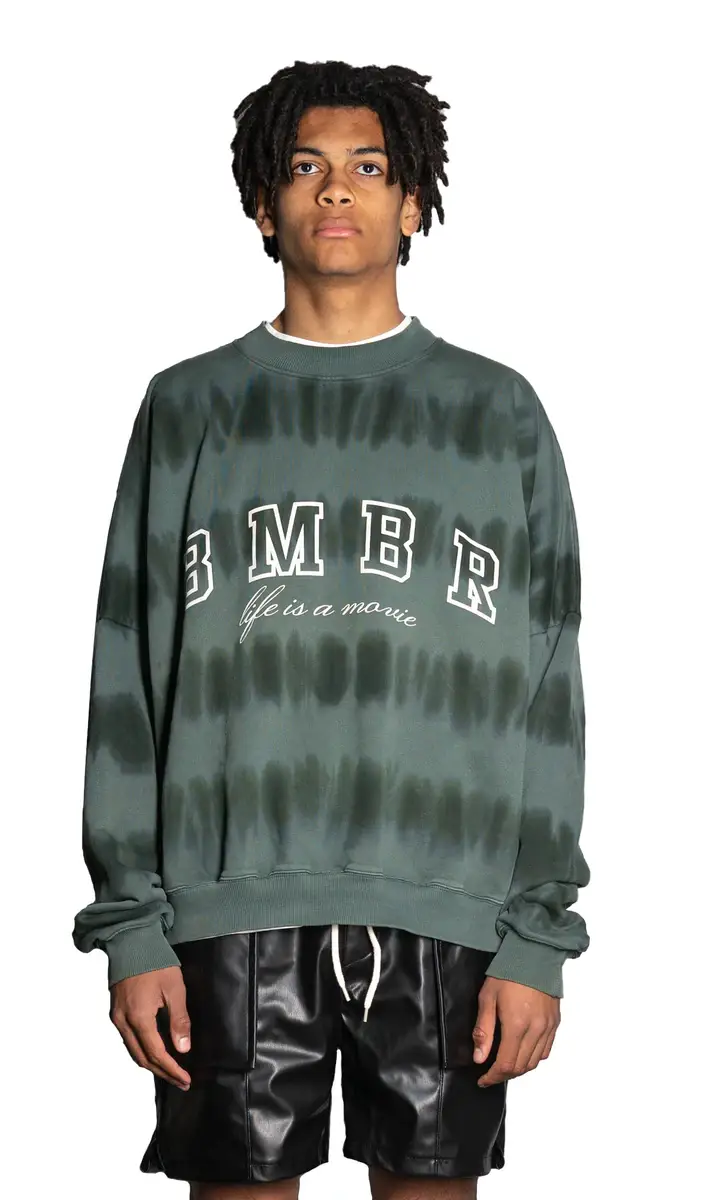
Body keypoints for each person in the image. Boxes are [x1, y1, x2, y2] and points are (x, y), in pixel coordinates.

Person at [72, 59, 590, 1200]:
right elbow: (127, 673)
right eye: (305, 166)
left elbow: (548, 682)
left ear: (414, 204)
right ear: (264, 204)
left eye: (369, 166)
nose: (337, 189)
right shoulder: (188, 406)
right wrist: (133, 928)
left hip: (447, 904)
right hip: (229, 904)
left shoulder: (497, 412)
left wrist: (536, 932)